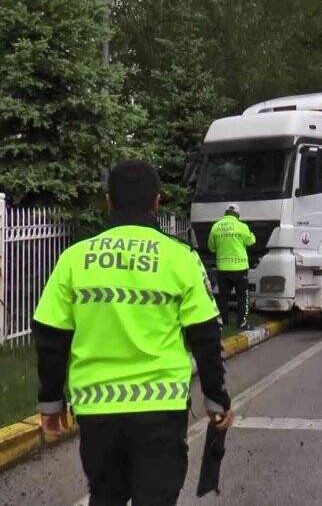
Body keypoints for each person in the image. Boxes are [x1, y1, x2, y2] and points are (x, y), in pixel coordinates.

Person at [32, 160, 234, 505]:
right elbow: (205, 334)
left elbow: (51, 335)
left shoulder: (74, 259)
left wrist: (51, 401)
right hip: (161, 410)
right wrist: (216, 398)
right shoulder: (180, 258)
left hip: (97, 412)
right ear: (157, 201)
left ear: (108, 201)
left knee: (106, 496)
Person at [207, 203, 256, 330]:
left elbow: (211, 247)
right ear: (237, 215)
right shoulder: (242, 226)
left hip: (222, 268)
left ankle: (223, 323)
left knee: (223, 297)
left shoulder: (216, 227)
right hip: (240, 268)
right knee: (242, 297)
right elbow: (251, 241)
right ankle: (242, 323)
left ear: (225, 214)